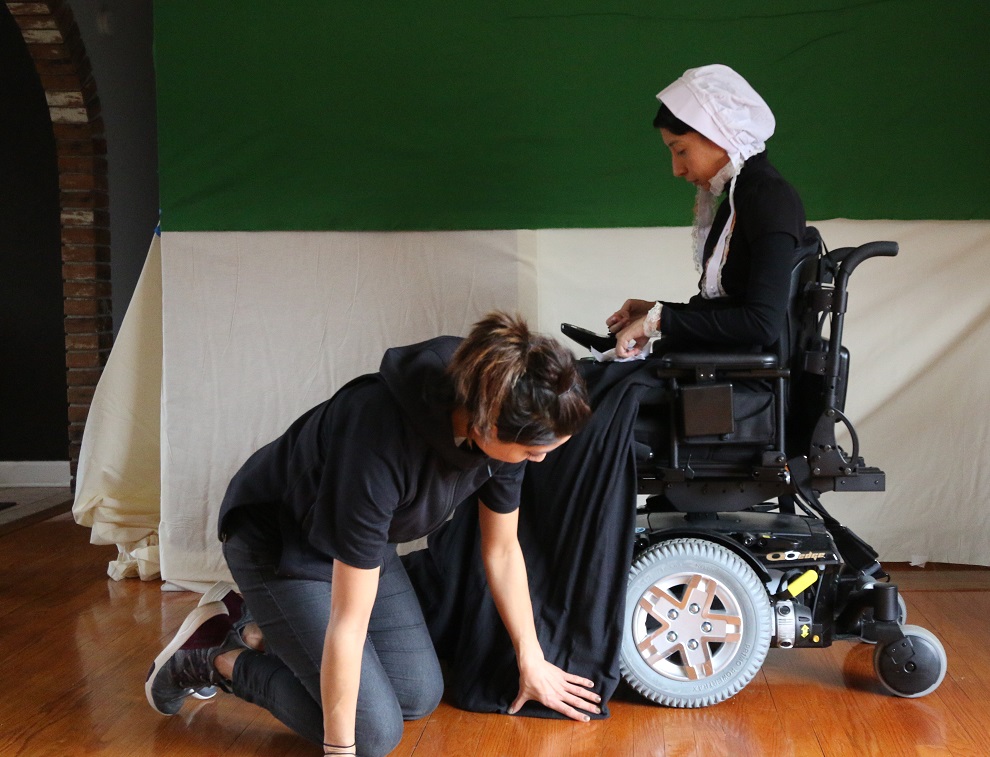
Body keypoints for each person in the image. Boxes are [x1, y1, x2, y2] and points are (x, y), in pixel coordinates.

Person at [144, 311, 599, 757]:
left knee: (417, 695)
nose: (539, 460)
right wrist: (339, 751)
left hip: (360, 546)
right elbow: (349, 620)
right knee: (371, 736)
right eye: (533, 450)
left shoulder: (500, 415)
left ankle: (261, 628)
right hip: (281, 544)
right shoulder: (379, 437)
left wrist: (531, 658)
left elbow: (500, 550)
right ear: (485, 425)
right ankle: (215, 658)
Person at [607, 63, 807, 358]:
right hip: (718, 368)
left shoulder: (769, 198)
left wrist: (660, 321)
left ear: (718, 134)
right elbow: (729, 310)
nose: (676, 169)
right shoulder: (742, 195)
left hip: (734, 380)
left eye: (681, 150)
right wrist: (654, 312)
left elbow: (762, 324)